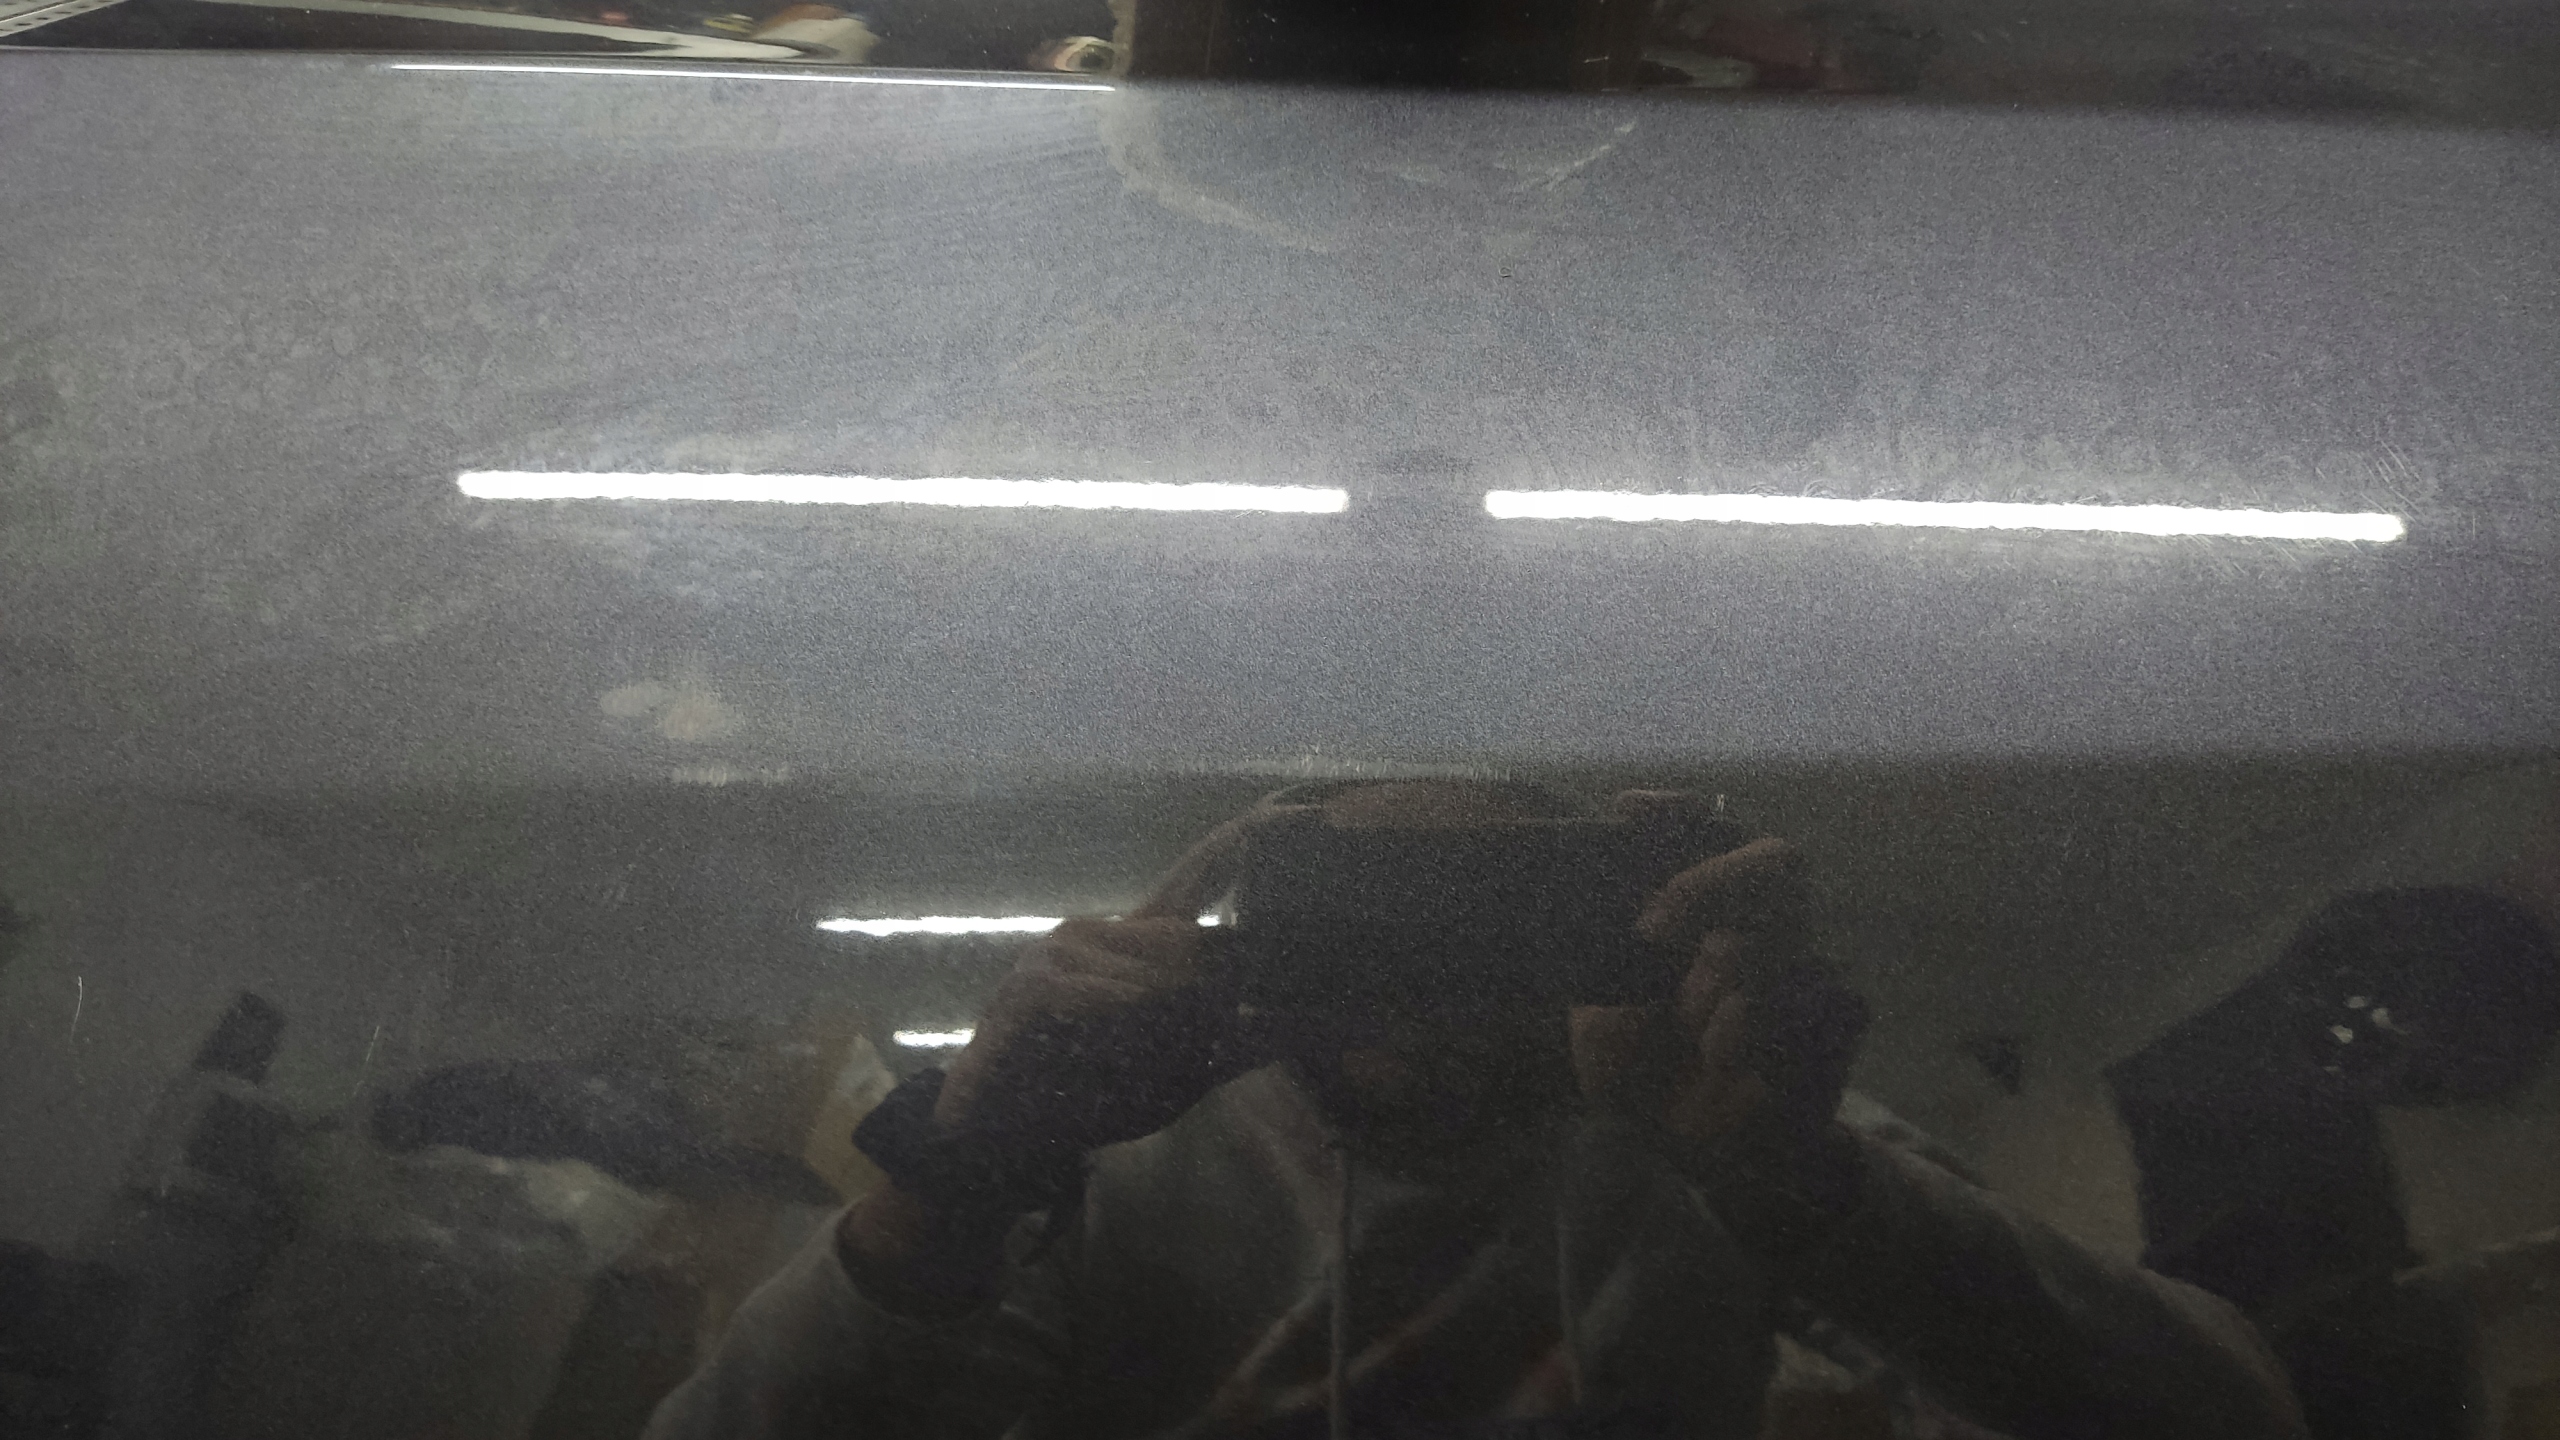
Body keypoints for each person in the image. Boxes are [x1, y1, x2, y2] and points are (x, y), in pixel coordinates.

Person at [645, 781, 2306, 1440]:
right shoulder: (1116, 1162)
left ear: (1604, 922)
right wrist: (961, 1171)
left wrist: (1798, 1186)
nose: (1422, 978)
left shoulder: (1719, 1126)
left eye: (1488, 913)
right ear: (1250, 920)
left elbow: (2225, 1419)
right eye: (1366, 915)